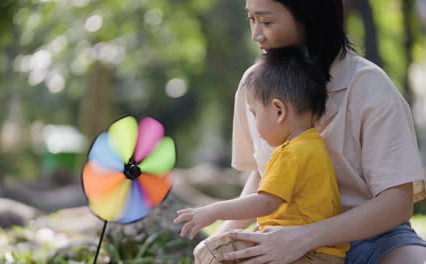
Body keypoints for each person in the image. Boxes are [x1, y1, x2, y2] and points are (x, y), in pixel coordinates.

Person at [192, 0, 426, 264]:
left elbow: (397, 202)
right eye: (251, 19)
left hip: (374, 238)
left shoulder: (372, 87)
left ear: (310, 18)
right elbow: (264, 175)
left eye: (266, 21)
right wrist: (223, 237)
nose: (256, 34)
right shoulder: (254, 85)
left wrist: (304, 237)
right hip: (280, 235)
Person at [175, 46, 349, 264]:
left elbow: (265, 203)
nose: (254, 123)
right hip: (324, 253)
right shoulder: (314, 145)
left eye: (255, 113)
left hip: (306, 254)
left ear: (279, 111)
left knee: (210, 252)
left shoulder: (291, 153)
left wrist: (214, 211)